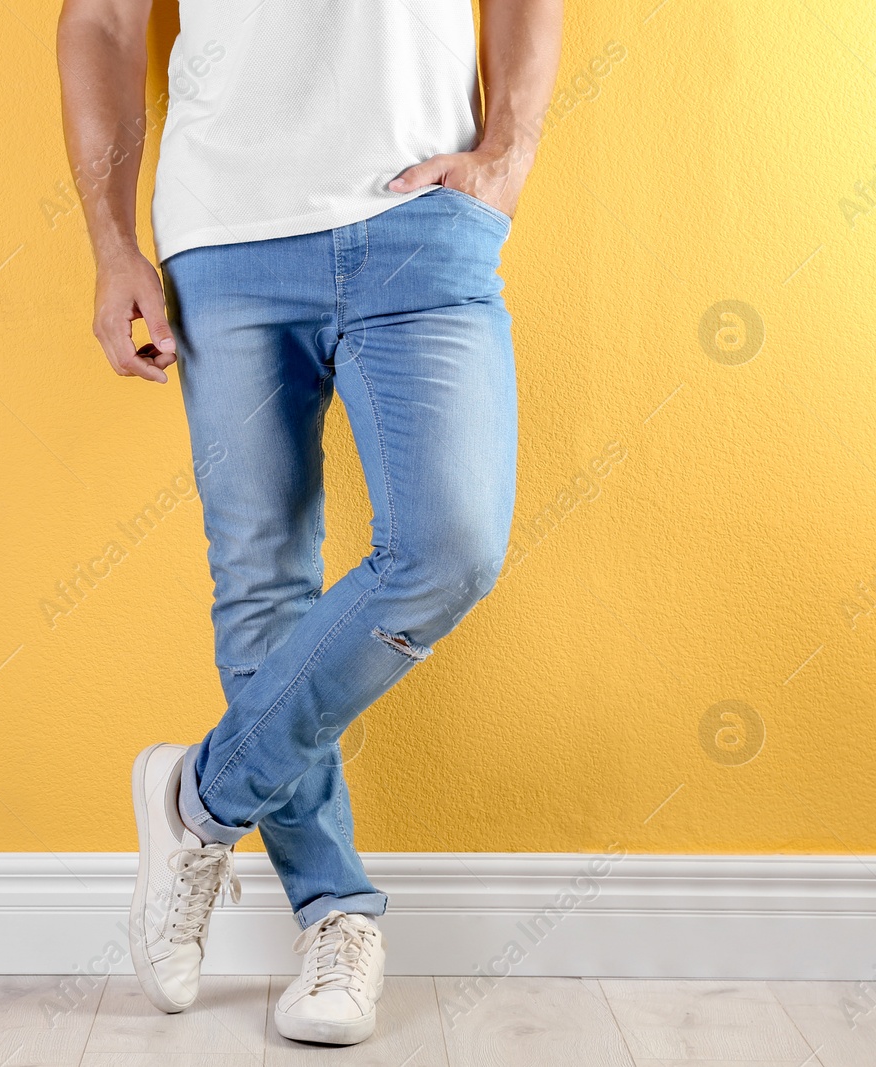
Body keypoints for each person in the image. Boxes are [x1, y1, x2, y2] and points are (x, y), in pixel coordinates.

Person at [57, 0, 563, 1046]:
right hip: (224, 234)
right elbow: (102, 21)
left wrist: (507, 153)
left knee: (449, 547)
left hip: (421, 217)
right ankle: (333, 913)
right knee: (262, 584)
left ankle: (198, 796)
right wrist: (111, 247)